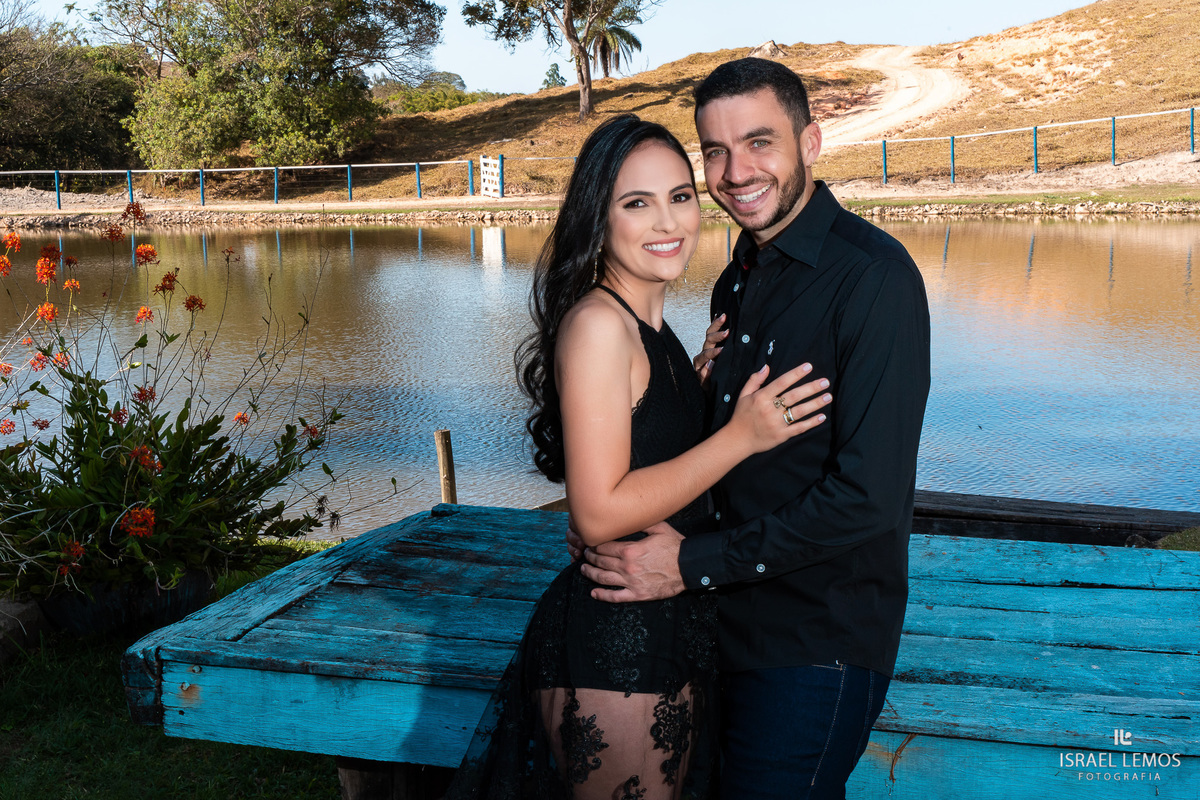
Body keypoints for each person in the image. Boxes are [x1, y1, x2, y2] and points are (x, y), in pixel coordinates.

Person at [445, 114, 833, 800]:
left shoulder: (651, 330)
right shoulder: (599, 325)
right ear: (599, 217)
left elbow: (638, 450)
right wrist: (739, 435)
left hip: (663, 621)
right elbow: (597, 515)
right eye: (637, 203)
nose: (667, 222)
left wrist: (693, 386)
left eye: (680, 196)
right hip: (614, 641)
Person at [578, 58, 932, 799]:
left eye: (760, 143)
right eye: (714, 150)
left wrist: (691, 563)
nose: (735, 172)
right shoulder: (738, 275)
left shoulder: (875, 279)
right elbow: (737, 465)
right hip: (715, 623)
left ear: (811, 143)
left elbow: (867, 497)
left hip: (814, 641)